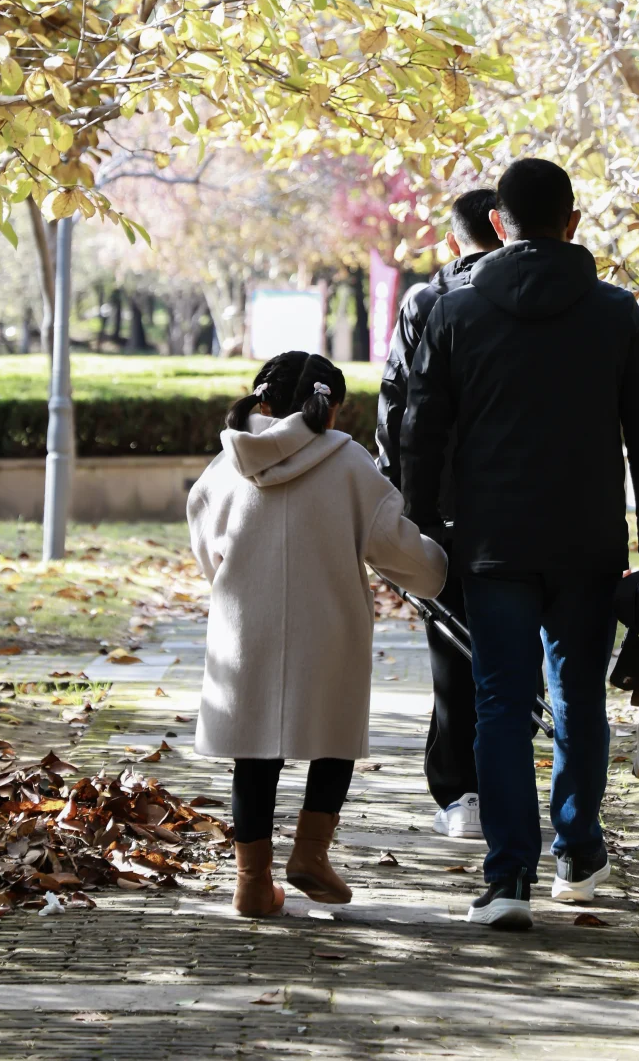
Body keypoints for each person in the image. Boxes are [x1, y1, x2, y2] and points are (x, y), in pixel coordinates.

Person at [401, 159, 639, 930]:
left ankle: (507, 880)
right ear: (573, 222)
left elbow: (422, 432)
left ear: (500, 224)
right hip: (589, 542)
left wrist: (415, 531)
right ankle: (578, 853)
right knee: (577, 697)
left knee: (498, 704)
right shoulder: (616, 313)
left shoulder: (453, 312)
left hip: (491, 544)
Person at [187, 349, 447, 918]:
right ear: (328, 410)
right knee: (334, 739)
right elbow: (398, 550)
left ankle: (251, 884)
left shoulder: (224, 463)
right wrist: (439, 566)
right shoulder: (349, 464)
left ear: (263, 400)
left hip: (243, 630)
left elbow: (209, 552)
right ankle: (310, 854)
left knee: (253, 755)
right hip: (328, 628)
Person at [376, 188, 499, 838]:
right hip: (515, 508)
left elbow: (396, 407)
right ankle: (511, 787)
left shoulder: (426, 302)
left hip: (443, 511)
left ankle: (462, 795)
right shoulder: (527, 299)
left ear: (452, 243)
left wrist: (401, 507)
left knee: (452, 650)